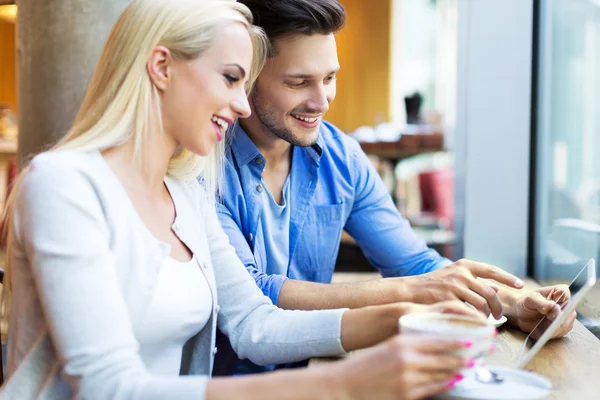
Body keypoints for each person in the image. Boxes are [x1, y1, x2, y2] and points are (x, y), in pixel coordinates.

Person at [0, 1, 482, 399]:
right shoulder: (63, 185)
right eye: (231, 78)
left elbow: (256, 324)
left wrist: (403, 317)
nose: (244, 105)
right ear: (161, 66)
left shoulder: (185, 192)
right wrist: (341, 384)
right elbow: (108, 388)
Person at [215, 0, 577, 375]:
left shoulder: (342, 159)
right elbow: (255, 294)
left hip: (311, 377)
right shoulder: (206, 166)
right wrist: (412, 290)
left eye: (329, 78)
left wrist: (514, 306)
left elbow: (417, 265)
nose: (322, 101)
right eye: (299, 82)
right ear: (248, 75)